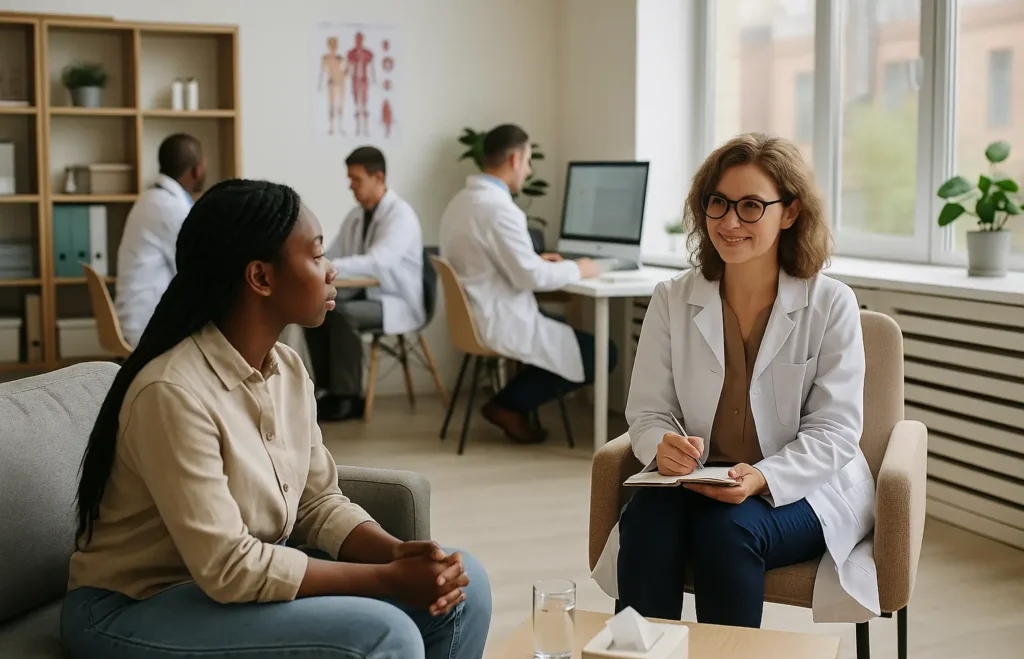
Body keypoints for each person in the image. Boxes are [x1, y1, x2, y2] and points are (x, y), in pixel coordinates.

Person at [62, 179, 491, 659]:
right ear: (261, 278)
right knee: (385, 636)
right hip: (133, 606)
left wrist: (395, 551)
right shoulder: (172, 392)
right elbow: (228, 565)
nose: (332, 270)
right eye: (317, 256)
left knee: (468, 590)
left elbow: (316, 502)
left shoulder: (286, 368)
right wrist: (385, 579)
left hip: (218, 590)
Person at [592, 133, 880, 626]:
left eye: (751, 207)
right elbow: (648, 410)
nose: (729, 222)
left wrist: (763, 476)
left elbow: (835, 432)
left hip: (803, 487)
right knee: (643, 523)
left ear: (789, 212)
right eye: (718, 203)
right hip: (697, 479)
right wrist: (660, 444)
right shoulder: (671, 298)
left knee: (728, 531)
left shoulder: (831, 303)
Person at [439, 124, 615, 444]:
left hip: (478, 314)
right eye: (529, 161)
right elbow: (530, 277)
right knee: (603, 352)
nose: (529, 169)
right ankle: (506, 406)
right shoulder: (498, 209)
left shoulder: (461, 202)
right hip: (498, 318)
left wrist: (537, 261)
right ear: (515, 159)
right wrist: (580, 268)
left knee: (565, 331)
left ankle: (510, 405)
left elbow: (507, 264)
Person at [304, 146, 424, 421]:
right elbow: (334, 251)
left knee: (343, 313)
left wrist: (329, 267)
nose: (351, 186)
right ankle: (328, 391)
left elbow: (379, 261)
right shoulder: (356, 216)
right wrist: (316, 261)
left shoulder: (400, 215)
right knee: (313, 305)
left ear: (378, 177)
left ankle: (348, 398)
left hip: (395, 301)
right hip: (366, 294)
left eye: (356, 179)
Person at [115, 133, 206, 347]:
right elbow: (198, 270)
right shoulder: (170, 208)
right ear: (196, 170)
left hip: (139, 317)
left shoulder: (152, 199)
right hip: (149, 326)